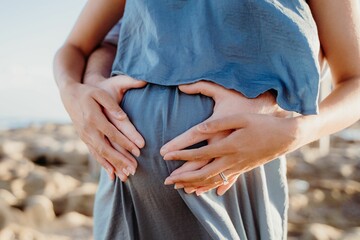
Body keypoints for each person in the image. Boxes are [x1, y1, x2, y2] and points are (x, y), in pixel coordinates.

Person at [53, 0, 360, 239]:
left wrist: (296, 132)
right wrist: (74, 96)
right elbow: (77, 47)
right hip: (126, 188)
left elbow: (355, 79)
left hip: (234, 188)